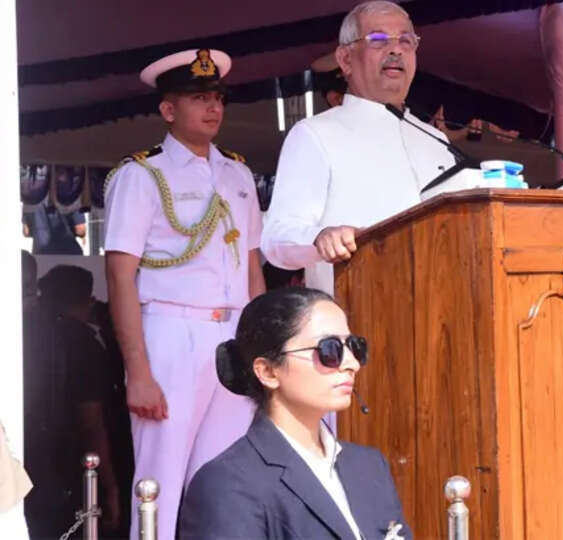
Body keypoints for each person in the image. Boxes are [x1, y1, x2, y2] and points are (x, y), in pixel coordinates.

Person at [103, 48, 266, 539]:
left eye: (217, 97)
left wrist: (259, 347)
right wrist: (138, 372)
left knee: (225, 478)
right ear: (168, 110)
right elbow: (119, 277)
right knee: (161, 481)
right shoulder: (141, 175)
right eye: (199, 98)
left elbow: (252, 269)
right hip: (172, 332)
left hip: (233, 333)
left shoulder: (238, 174)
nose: (213, 108)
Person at [180, 288, 409, 539]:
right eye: (329, 350)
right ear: (268, 371)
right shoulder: (227, 483)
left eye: (355, 347)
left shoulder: (369, 465)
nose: (351, 364)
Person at [262, 0, 456, 295]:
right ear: (346, 59)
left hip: (438, 313)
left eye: (406, 40)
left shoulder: (436, 140)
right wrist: (319, 238)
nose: (396, 49)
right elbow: (277, 240)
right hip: (356, 316)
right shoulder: (314, 135)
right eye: (378, 39)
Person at [24, 265, 121, 537]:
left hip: (28, 459)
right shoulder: (83, 343)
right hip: (67, 470)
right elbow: (91, 423)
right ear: (87, 301)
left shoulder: (22, 332)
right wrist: (111, 486)